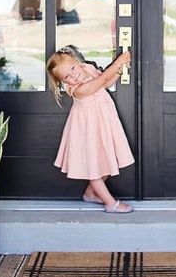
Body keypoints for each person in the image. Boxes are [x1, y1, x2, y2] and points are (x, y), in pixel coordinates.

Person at [46, 46, 135, 213]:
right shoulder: (77, 89)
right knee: (93, 166)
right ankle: (110, 203)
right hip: (87, 128)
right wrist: (118, 62)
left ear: (78, 62)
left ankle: (90, 194)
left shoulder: (88, 69)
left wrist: (118, 72)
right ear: (64, 82)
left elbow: (105, 83)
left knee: (107, 158)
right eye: (67, 77)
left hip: (103, 123)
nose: (73, 75)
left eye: (73, 68)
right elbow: (99, 83)